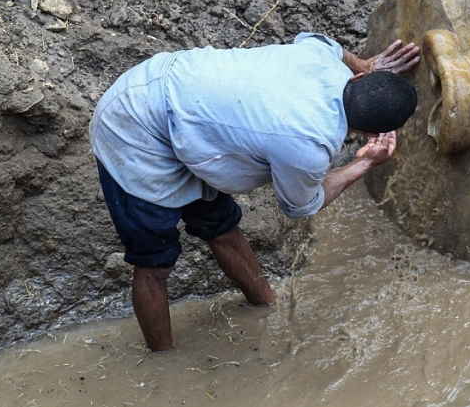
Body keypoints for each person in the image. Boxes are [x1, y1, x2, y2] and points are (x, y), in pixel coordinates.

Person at [90, 32, 420, 352]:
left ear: (358, 82)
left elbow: (320, 40)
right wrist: (362, 166)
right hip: (133, 126)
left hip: (182, 100)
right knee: (154, 262)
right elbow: (302, 204)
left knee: (223, 228)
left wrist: (362, 64)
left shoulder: (320, 58)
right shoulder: (307, 145)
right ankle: (162, 364)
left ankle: (265, 305)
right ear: (369, 132)